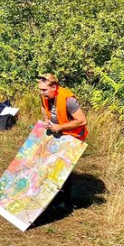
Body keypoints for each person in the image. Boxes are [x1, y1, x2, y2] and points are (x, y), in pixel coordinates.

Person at [37, 73, 88, 208]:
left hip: (74, 136)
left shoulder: (68, 100)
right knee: (49, 162)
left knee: (63, 167)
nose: (42, 93)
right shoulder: (45, 95)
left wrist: (59, 126)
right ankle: (49, 196)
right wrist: (47, 119)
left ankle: (64, 202)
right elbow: (43, 106)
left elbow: (82, 121)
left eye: (44, 90)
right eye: (40, 90)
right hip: (58, 133)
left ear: (54, 87)